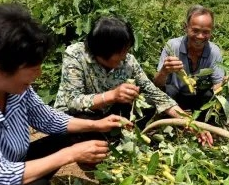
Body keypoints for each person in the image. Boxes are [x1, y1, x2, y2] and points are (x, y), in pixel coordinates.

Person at [0, 3, 130, 185]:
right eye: (31, 66)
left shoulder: (19, 90)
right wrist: (71, 155)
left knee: (63, 137)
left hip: (12, 163)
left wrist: (96, 124)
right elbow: (1, 177)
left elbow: (48, 119)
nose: (37, 74)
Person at [54, 16, 213, 145]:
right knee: (84, 129)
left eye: (127, 50)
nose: (125, 56)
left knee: (148, 105)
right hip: (78, 117)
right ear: (103, 51)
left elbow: (155, 93)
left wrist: (189, 123)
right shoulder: (76, 55)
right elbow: (72, 100)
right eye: (121, 52)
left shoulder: (128, 61)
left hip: (108, 114)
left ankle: (115, 139)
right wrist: (111, 96)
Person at [154, 5, 224, 112]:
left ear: (211, 31)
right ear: (186, 27)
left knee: (217, 97)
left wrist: (225, 84)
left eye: (206, 32)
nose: (200, 36)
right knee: (166, 92)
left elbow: (217, 85)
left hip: (199, 98)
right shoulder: (172, 46)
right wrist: (164, 71)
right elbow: (157, 84)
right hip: (175, 98)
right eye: (195, 30)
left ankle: (204, 123)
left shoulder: (214, 51)